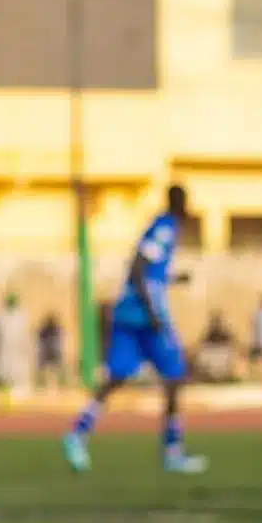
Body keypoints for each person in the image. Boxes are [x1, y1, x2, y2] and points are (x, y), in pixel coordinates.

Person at [64, 185, 206, 474]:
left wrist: (174, 278)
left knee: (116, 376)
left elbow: (148, 271)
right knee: (175, 377)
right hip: (144, 315)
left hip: (127, 311)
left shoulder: (160, 228)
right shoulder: (165, 227)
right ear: (180, 203)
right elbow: (139, 269)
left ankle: (78, 433)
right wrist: (152, 312)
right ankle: (172, 451)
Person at [0, 292, 32, 390]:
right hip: (5, 354)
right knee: (6, 379)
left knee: (18, 381)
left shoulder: (21, 316)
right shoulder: (0, 317)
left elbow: (25, 338)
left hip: (17, 355)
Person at [35, 312, 66, 389]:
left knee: (58, 365)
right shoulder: (44, 330)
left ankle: (60, 382)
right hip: (48, 353)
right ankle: (42, 382)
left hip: (53, 352)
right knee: (43, 365)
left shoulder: (56, 330)